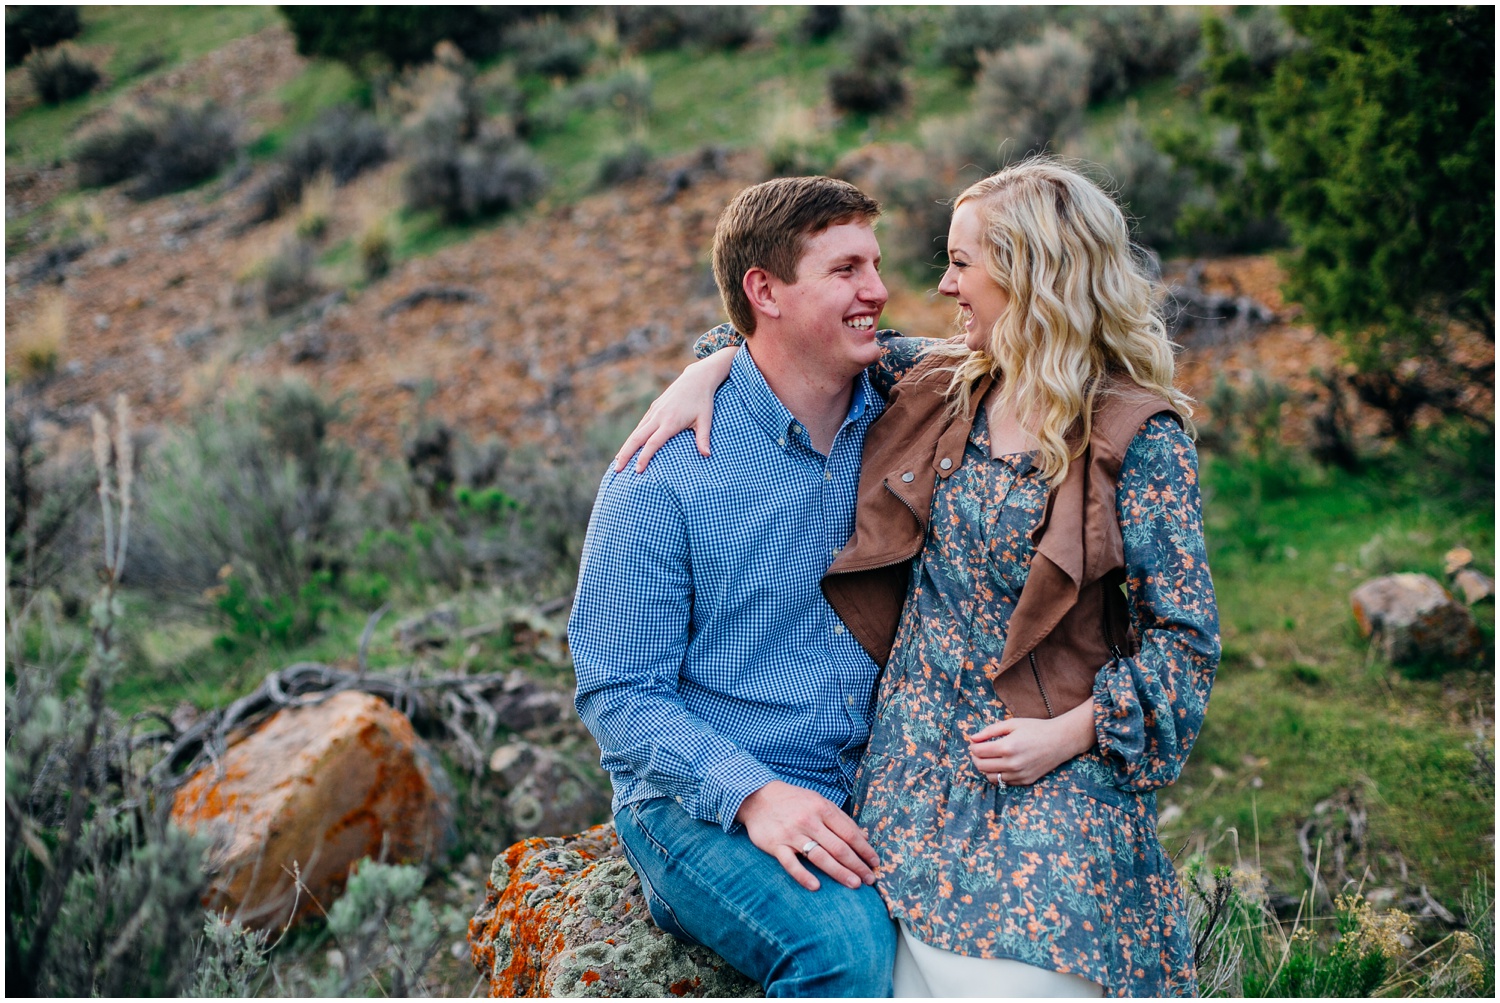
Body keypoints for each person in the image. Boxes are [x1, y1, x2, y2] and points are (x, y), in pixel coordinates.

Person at [615, 158, 1219, 997]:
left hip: (1017, 750)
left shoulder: (1103, 426)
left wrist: (1075, 731)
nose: (930, 286)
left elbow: (1186, 643)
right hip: (882, 766)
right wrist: (704, 367)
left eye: (961, 262)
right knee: (874, 963)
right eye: (852, 268)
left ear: (1030, 274)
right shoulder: (941, 387)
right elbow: (781, 342)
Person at [569, 175, 899, 997]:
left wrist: (716, 357)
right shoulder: (661, 477)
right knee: (847, 952)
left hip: (870, 773)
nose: (880, 291)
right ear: (766, 290)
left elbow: (1004, 360)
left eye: (876, 264)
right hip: (700, 796)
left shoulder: (905, 411)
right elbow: (616, 693)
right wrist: (752, 794)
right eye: (846, 269)